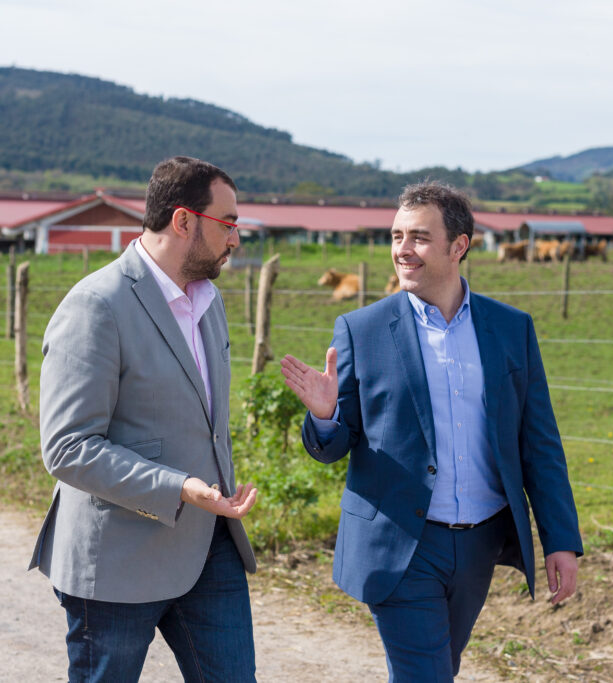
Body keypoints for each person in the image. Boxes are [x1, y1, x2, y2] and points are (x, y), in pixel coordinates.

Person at [280, 181, 583, 682]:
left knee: (442, 667)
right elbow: (332, 447)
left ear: (458, 246)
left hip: (481, 544)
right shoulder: (362, 329)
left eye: (419, 237)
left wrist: (561, 540)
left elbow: (540, 443)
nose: (402, 249)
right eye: (397, 235)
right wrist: (326, 414)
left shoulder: (511, 329)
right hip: (400, 544)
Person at [29, 156, 259, 682]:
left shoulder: (209, 301)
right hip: (117, 562)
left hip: (208, 545)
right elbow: (67, 446)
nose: (235, 240)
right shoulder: (96, 305)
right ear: (184, 221)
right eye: (228, 224)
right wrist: (178, 487)